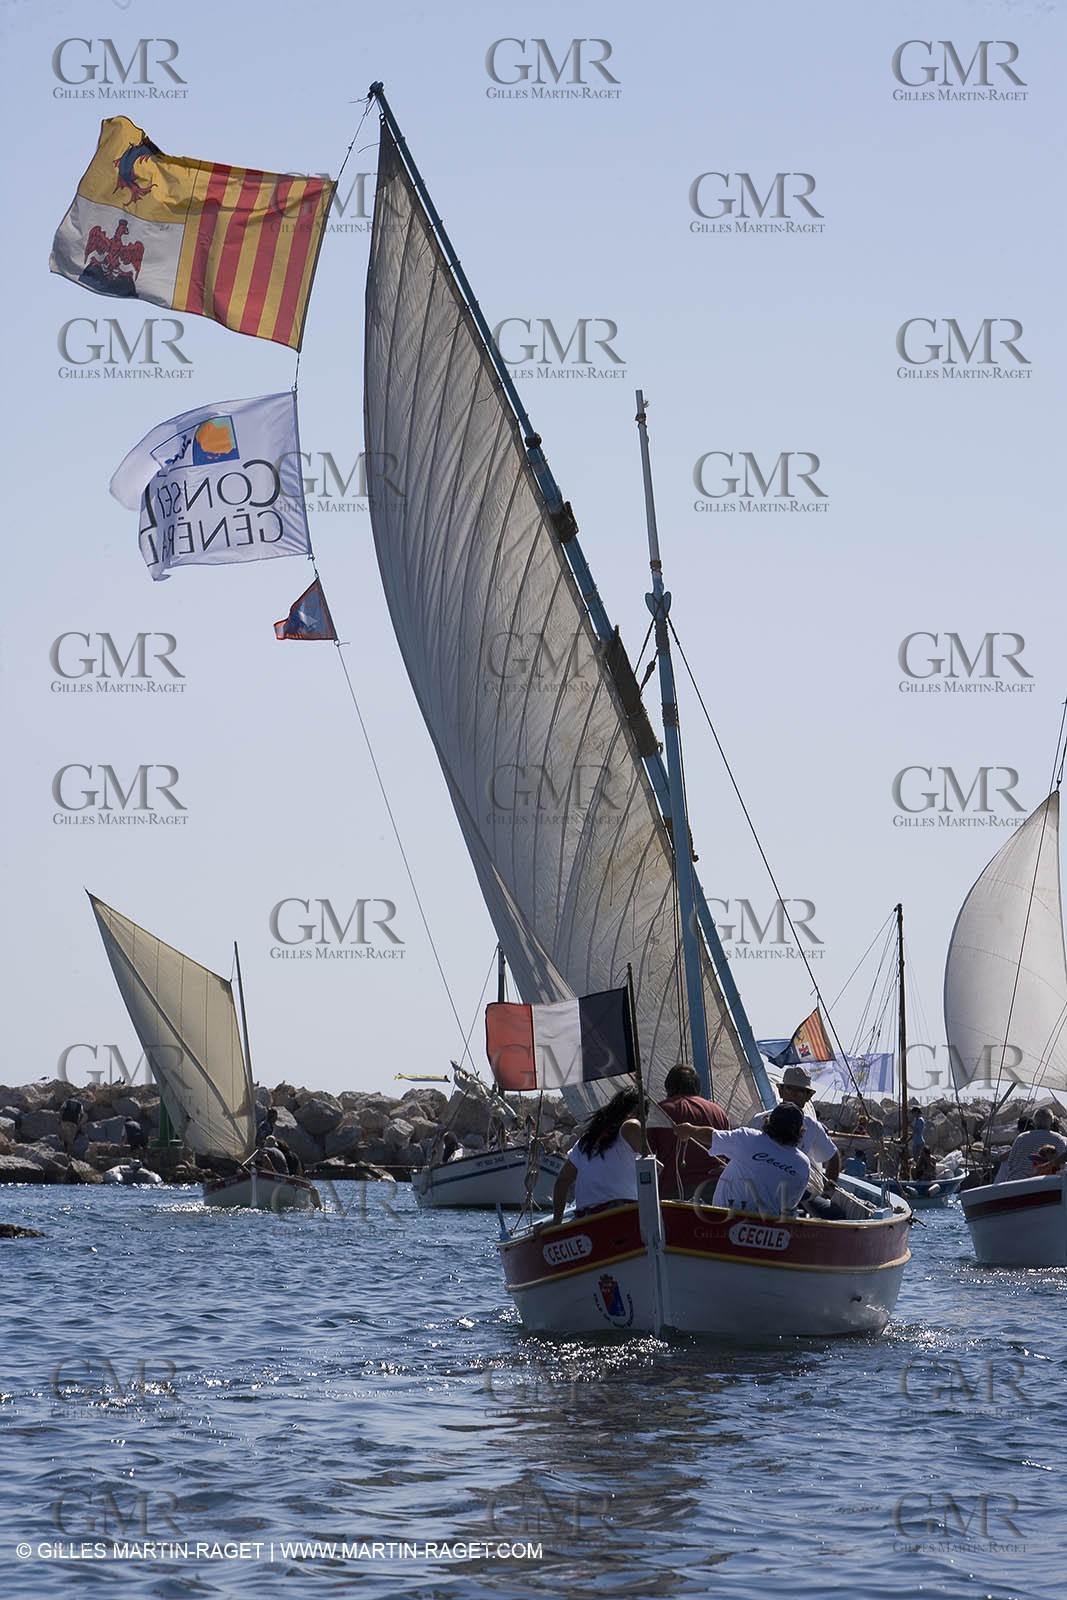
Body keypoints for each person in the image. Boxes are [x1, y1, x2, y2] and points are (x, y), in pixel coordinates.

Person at [674, 1103, 811, 1215]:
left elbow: (712, 1136)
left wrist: (690, 1130)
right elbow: (789, 1204)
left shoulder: (749, 1138)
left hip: (724, 1220)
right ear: (800, 1131)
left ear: (769, 1121)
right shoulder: (803, 1164)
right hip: (768, 1232)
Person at [550, 1088, 643, 1224]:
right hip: (622, 1214)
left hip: (587, 1218)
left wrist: (557, 1222)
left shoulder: (586, 1140)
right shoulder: (631, 1127)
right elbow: (653, 1169)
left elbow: (562, 1181)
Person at [750, 1066, 841, 1198]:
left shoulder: (812, 1126)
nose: (793, 1094)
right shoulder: (758, 1120)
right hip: (757, 1189)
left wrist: (828, 1192)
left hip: (797, 1193)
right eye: (789, 1089)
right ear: (781, 1091)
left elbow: (833, 1156)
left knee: (834, 1213)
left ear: (808, 1096)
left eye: (800, 1091)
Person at [647, 1063, 728, 1201]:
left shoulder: (660, 1112)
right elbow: (729, 1153)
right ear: (697, 1086)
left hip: (676, 1191)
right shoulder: (718, 1112)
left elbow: (646, 1155)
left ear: (668, 1086)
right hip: (717, 1190)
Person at [996, 1108, 1067, 1182]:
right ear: (1051, 1122)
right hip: (1044, 1185)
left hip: (1015, 1183)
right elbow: (1061, 1165)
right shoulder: (1058, 1139)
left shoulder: (1021, 1137)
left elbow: (1010, 1163)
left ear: (1033, 1122)